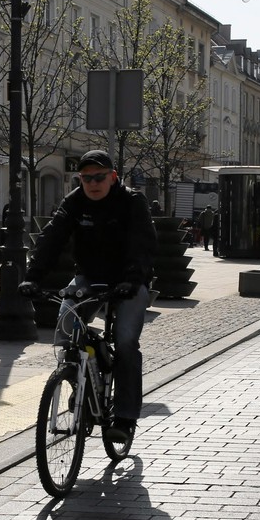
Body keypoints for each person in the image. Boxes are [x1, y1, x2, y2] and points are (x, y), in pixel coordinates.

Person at [18, 149, 156, 445]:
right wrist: (32, 276)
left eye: (99, 177)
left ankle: (125, 417)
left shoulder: (132, 202)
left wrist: (132, 280)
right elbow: (52, 237)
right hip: (90, 278)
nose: (93, 183)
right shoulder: (75, 202)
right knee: (66, 328)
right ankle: (80, 381)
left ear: (113, 177)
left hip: (128, 281)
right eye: (86, 178)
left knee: (127, 341)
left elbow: (142, 244)